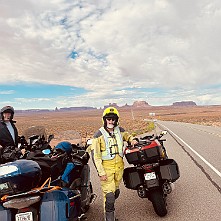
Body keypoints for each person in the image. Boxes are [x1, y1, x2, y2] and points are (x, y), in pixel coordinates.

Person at [92, 107, 138, 221]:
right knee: (109, 195)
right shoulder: (98, 135)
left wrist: (132, 140)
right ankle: (109, 219)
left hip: (119, 168)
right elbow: (96, 156)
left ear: (116, 120)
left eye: (113, 119)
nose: (111, 121)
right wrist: (100, 172)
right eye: (109, 119)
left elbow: (127, 136)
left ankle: (111, 202)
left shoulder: (120, 130)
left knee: (116, 191)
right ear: (104, 119)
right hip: (106, 169)